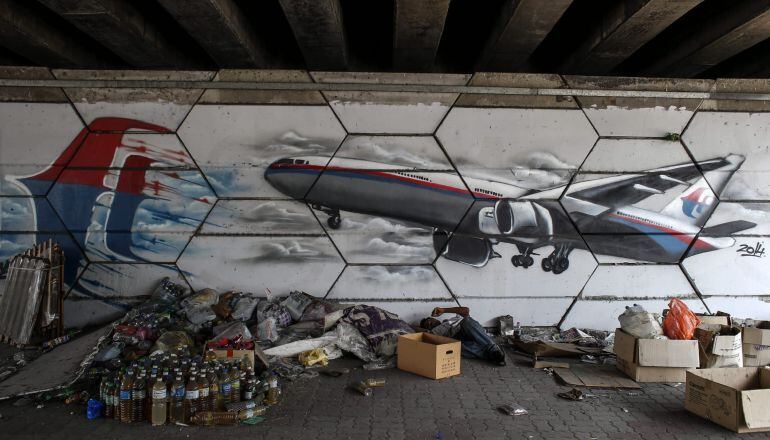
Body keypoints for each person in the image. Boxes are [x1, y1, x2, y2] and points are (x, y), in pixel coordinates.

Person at [420, 306, 506, 366]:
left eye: (430, 320)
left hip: (470, 329)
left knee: (466, 321)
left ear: (434, 318)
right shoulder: (434, 332)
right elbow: (417, 332)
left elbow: (466, 310)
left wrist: (444, 310)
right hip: (461, 339)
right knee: (457, 346)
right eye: (428, 325)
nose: (431, 323)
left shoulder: (452, 319)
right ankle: (495, 355)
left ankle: (493, 350)